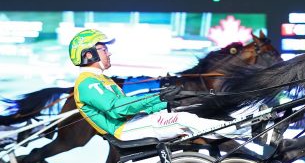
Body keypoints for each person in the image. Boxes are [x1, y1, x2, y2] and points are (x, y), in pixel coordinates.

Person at [69, 29, 246, 142]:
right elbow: (118, 109)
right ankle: (243, 131)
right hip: (124, 131)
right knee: (183, 119)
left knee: (185, 112)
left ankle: (236, 131)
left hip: (133, 122)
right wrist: (160, 97)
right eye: (104, 50)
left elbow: (128, 105)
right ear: (89, 55)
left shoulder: (101, 79)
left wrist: (168, 101)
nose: (109, 53)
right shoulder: (87, 84)